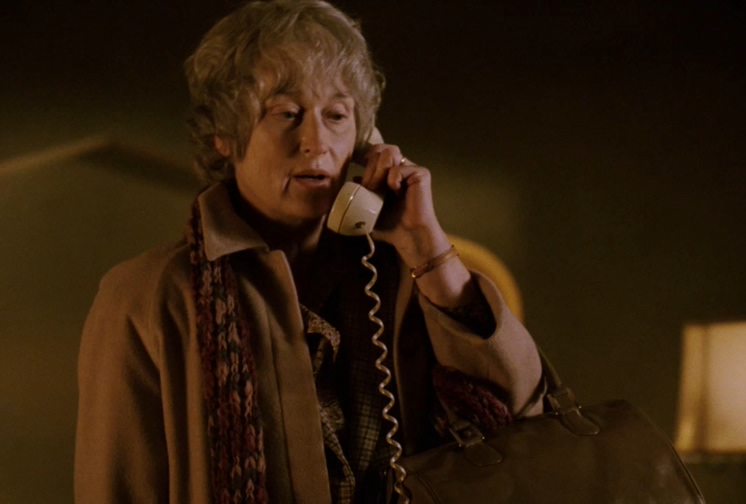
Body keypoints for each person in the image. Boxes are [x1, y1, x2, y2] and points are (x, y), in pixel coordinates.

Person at [74, 1, 543, 502]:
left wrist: (426, 247)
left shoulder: (400, 272)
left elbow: (523, 421)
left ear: (364, 140)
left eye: (337, 116)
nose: (317, 142)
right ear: (224, 135)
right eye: (287, 114)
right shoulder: (145, 297)